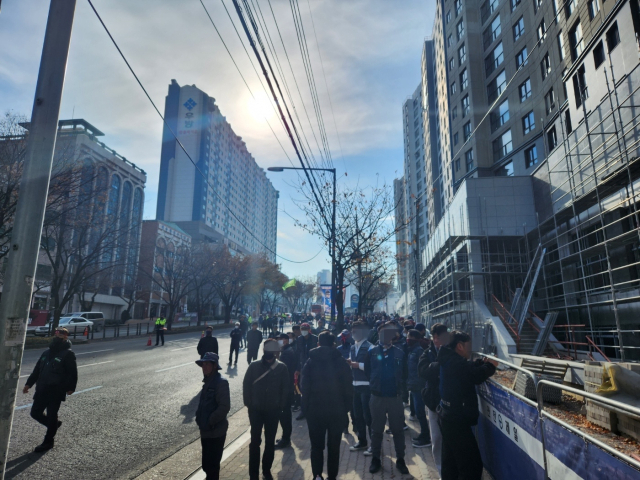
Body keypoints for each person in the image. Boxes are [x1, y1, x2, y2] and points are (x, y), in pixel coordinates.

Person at [438, 331, 497, 480]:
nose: (470, 349)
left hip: (447, 415)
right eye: (468, 346)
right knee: (471, 466)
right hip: (456, 420)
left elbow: (467, 369)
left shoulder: (448, 359)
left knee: (450, 462)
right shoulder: (456, 363)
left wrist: (479, 363)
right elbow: (474, 376)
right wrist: (490, 366)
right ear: (459, 346)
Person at [301, 331, 353, 480]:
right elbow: (349, 388)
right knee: (334, 447)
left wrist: (306, 409)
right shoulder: (341, 361)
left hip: (315, 411)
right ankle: (332, 476)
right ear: (333, 344)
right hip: (337, 411)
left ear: (318, 344)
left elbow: (305, 387)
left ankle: (317, 475)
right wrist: (346, 409)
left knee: (316, 446)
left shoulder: (310, 361)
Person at [23, 327, 78, 452]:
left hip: (56, 390)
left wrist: (71, 387)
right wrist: (28, 384)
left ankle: (48, 442)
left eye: (61, 334)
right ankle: (53, 425)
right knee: (35, 413)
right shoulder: (46, 353)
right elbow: (37, 370)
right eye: (56, 334)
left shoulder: (68, 354)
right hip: (42, 388)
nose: (57, 336)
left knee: (52, 415)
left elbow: (72, 373)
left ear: (66, 337)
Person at [242, 339, 290, 480]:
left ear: (276, 351)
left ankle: (266, 470)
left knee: (270, 442)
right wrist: (249, 403)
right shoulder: (254, 366)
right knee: (255, 441)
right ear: (263, 350)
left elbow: (285, 388)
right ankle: (253, 474)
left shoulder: (281, 367)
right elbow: (246, 385)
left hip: (273, 410)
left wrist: (280, 406)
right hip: (255, 409)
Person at [366, 321, 409, 474]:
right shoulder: (371, 351)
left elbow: (404, 374)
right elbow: (368, 371)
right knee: (376, 430)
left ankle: (401, 459)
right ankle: (376, 459)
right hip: (377, 397)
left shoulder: (399, 352)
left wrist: (403, 394)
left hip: (395, 398)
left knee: (398, 430)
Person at [418, 323, 449, 476]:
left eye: (439, 337)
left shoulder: (454, 350)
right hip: (433, 401)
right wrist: (439, 364)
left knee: (450, 440)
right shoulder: (427, 353)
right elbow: (423, 372)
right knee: (436, 439)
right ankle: (441, 472)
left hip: (452, 404)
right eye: (434, 338)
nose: (436, 341)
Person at [195, 352, 230, 480]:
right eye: (203, 364)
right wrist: (198, 417)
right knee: (206, 464)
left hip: (216, 431)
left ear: (214, 366)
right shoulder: (207, 382)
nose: (204, 367)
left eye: (207, 364)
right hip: (205, 430)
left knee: (212, 466)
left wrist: (210, 421)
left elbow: (224, 407)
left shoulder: (221, 383)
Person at [348, 321, 372, 453]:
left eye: (356, 331)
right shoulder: (352, 347)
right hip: (355, 385)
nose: (353, 334)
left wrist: (358, 365)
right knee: (357, 416)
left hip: (366, 386)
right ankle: (362, 441)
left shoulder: (370, 347)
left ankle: (374, 444)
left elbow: (373, 366)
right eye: (352, 331)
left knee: (368, 416)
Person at [406, 329, 431, 448]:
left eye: (409, 337)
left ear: (415, 339)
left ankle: (426, 436)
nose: (407, 339)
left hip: (418, 386)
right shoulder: (411, 350)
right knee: (418, 411)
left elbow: (420, 370)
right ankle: (424, 434)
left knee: (420, 411)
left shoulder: (419, 351)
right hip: (414, 385)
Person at [274, 333, 296, 449]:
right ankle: (285, 437)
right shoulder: (286, 351)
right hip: (286, 387)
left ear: (286, 341)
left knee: (285, 415)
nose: (278, 342)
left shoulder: (286, 353)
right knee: (285, 414)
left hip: (285, 388)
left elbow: (283, 371)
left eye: (280, 340)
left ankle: (286, 439)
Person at [294, 323, 318, 421]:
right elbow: (297, 354)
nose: (303, 330)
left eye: (305, 329)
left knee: (315, 389)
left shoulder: (315, 338)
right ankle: (303, 411)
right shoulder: (299, 339)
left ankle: (315, 410)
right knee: (303, 390)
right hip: (303, 367)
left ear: (309, 329)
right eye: (302, 329)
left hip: (314, 367)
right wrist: (297, 369)